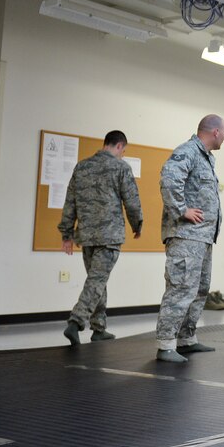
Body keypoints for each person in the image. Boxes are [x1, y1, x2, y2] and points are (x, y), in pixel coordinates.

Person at [57, 130, 143, 345]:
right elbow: (132, 201)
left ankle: (99, 328)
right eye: (123, 151)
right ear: (120, 146)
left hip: (86, 236)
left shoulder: (82, 167)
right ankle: (76, 322)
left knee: (97, 281)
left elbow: (70, 202)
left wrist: (66, 233)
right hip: (109, 235)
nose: (122, 154)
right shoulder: (121, 167)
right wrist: (137, 225)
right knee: (97, 280)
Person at [154, 115, 224, 363]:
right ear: (215, 132)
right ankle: (165, 345)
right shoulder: (188, 151)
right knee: (180, 289)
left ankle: (186, 339)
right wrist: (181, 209)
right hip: (186, 236)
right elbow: (168, 178)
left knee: (200, 289)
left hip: (203, 238)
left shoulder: (206, 158)